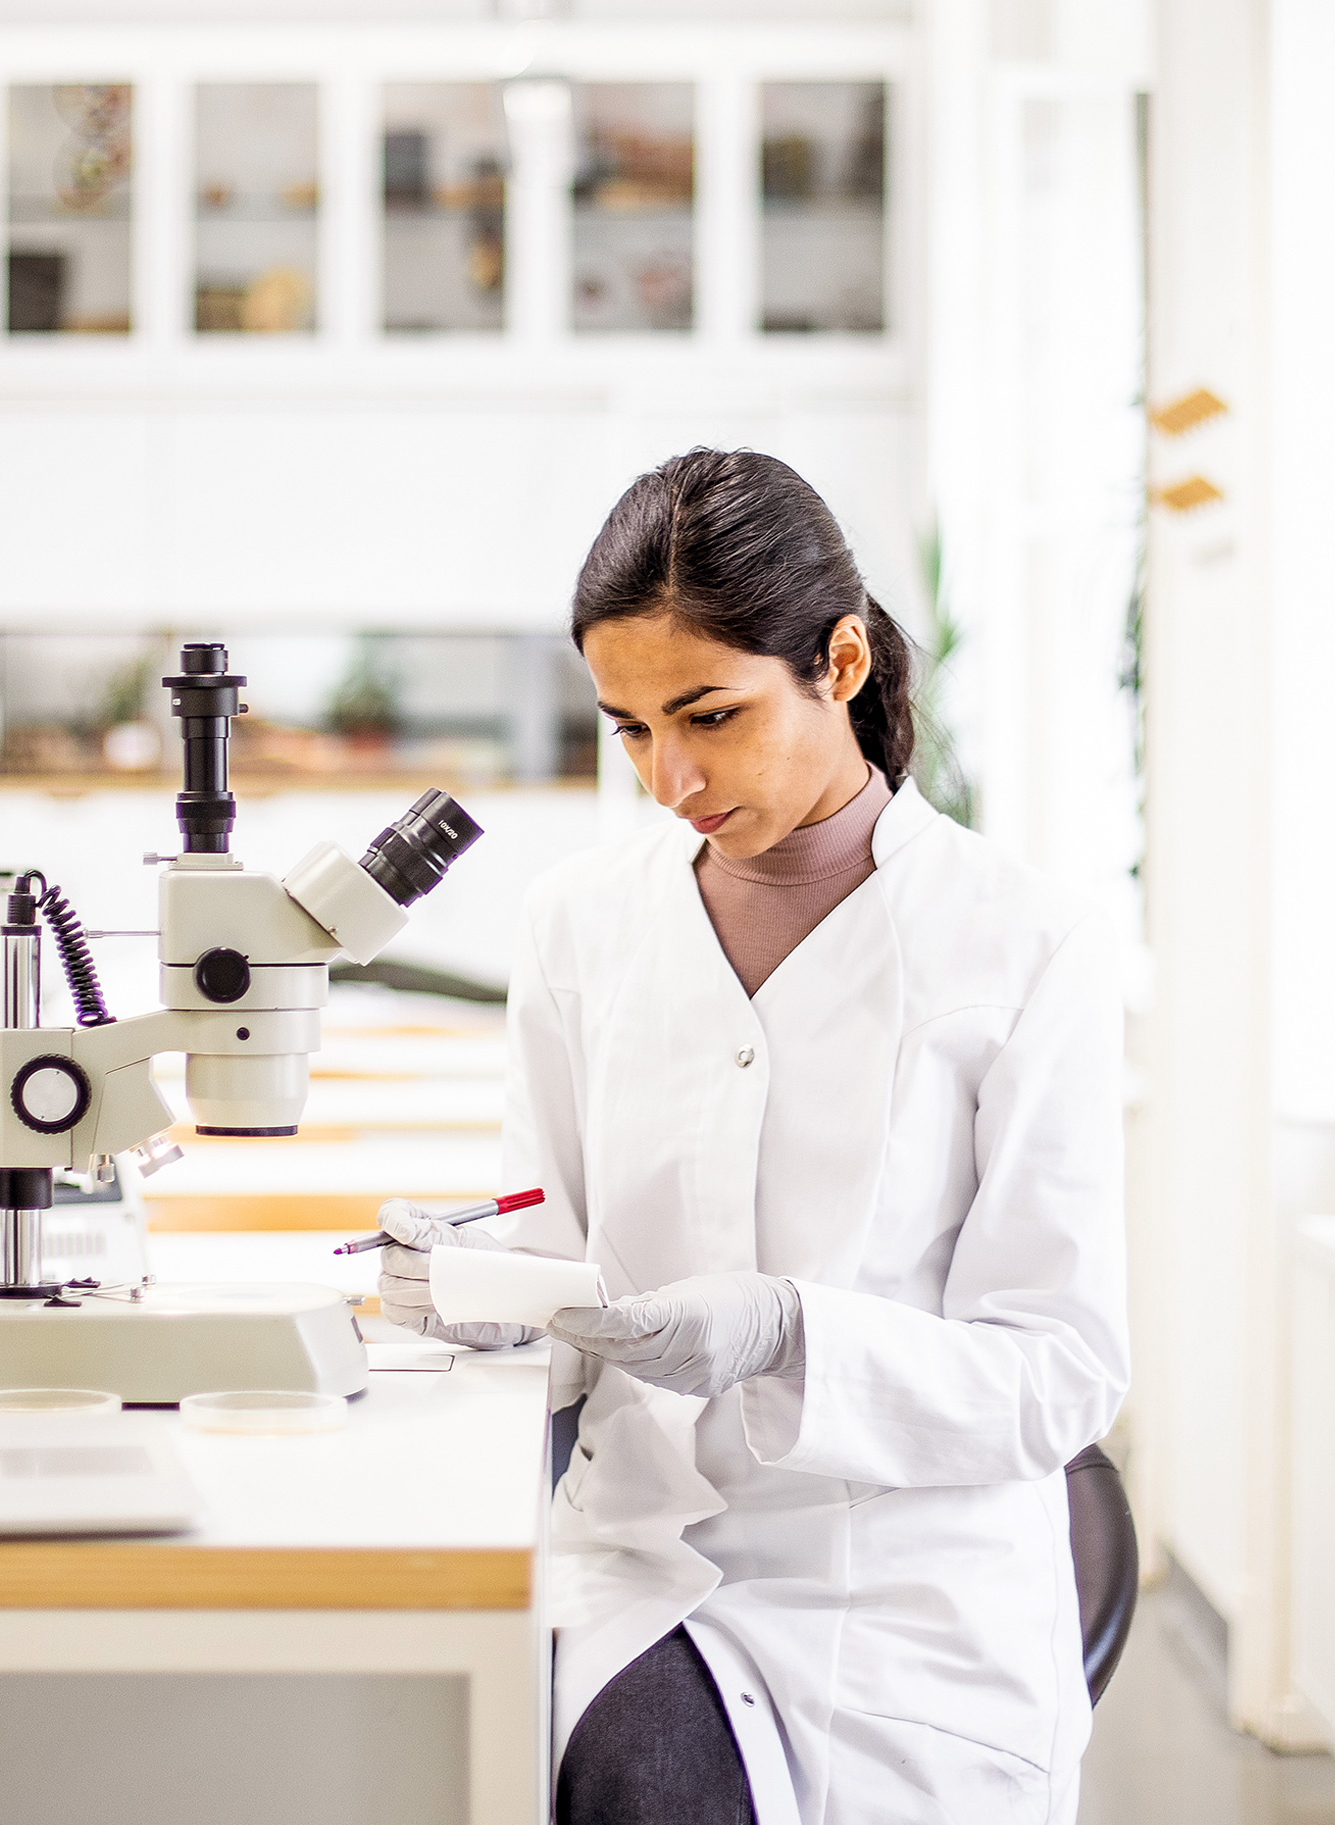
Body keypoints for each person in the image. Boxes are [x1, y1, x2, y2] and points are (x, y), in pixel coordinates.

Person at [378, 450, 1129, 1824]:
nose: (671, 776)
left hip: (907, 1599)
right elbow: (555, 1258)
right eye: (629, 728)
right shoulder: (582, 922)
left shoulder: (1021, 942)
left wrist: (796, 1333)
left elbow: (1064, 1376)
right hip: (642, 1558)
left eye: (709, 715)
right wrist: (473, 1290)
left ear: (839, 662)